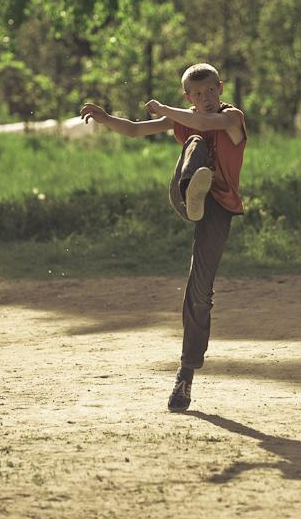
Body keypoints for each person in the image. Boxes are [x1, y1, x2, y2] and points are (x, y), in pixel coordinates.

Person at [79, 63, 246, 412]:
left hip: (218, 208)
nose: (206, 99)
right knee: (196, 140)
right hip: (186, 195)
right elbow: (137, 129)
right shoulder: (187, 117)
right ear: (189, 96)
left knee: (199, 291)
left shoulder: (232, 118)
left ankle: (185, 376)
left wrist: (166, 108)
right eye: (197, 94)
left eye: (211, 90)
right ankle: (192, 188)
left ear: (221, 87)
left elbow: (204, 121)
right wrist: (106, 118)